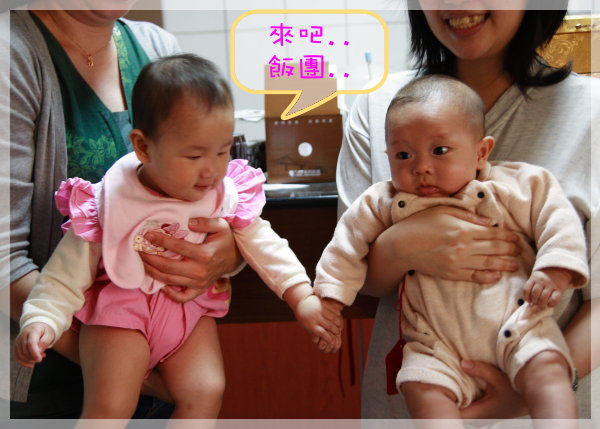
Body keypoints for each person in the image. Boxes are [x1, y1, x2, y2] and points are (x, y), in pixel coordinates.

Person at [13, 54, 343, 423]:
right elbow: (64, 274)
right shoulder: (111, 201)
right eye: (194, 155)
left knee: (207, 390)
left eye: (222, 151)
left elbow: (264, 244)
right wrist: (41, 319)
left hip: (188, 313)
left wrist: (301, 296)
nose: (212, 170)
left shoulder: (222, 193)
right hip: (120, 316)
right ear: (143, 147)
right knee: (110, 407)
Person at [335, 2, 599, 420]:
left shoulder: (590, 113)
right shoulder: (377, 107)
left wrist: (529, 392)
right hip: (414, 401)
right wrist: (402, 246)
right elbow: (351, 273)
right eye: (404, 156)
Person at [6, 3, 240, 418]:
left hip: (167, 357)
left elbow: (209, 212)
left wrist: (227, 254)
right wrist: (125, 367)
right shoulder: (12, 55)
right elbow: (4, 261)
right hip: (48, 378)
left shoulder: (157, 47)